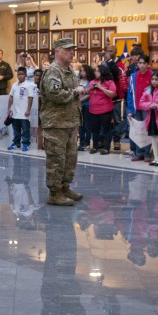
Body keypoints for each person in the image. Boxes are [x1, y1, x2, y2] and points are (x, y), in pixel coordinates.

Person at [39, 38, 86, 206]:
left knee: (69, 158)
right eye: (68, 50)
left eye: (72, 50)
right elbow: (55, 95)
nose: (72, 53)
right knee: (56, 159)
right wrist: (76, 91)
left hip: (69, 122)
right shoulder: (54, 71)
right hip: (56, 123)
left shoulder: (68, 70)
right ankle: (54, 192)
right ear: (57, 51)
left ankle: (64, 187)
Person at [127, 55, 153, 162]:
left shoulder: (152, 75)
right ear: (137, 64)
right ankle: (138, 152)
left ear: (148, 64)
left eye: (144, 63)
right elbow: (129, 93)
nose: (141, 65)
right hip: (136, 107)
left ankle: (147, 153)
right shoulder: (133, 76)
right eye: (140, 63)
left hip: (147, 108)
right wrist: (130, 109)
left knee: (146, 130)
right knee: (137, 129)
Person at [88, 65, 116, 155]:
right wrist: (90, 88)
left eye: (98, 71)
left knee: (106, 129)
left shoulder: (109, 82)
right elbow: (85, 92)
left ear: (103, 72)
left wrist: (100, 87)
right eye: (95, 71)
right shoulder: (92, 81)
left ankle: (106, 148)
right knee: (95, 130)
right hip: (93, 110)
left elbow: (112, 94)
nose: (95, 73)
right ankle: (95, 147)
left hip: (105, 110)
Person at [7, 67, 34, 151]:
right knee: (16, 129)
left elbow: (30, 98)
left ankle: (25, 144)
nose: (20, 76)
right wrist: (9, 108)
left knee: (25, 129)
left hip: (24, 112)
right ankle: (16, 143)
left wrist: (28, 110)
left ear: (25, 75)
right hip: (15, 112)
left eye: (22, 74)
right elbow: (11, 97)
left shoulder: (29, 85)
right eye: (19, 74)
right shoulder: (14, 85)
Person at [77, 64, 94, 151]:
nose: (82, 72)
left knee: (87, 125)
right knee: (80, 125)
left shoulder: (90, 82)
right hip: (79, 106)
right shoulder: (78, 81)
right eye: (81, 70)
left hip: (87, 105)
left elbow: (89, 94)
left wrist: (81, 100)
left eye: (84, 71)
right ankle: (81, 143)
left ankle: (87, 143)